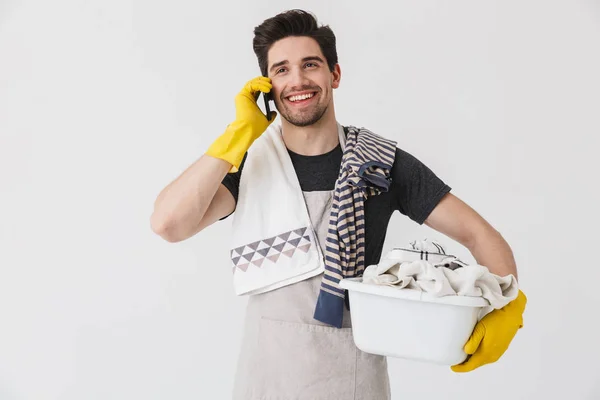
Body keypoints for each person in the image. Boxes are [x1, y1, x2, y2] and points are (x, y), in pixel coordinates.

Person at [150, 9, 528, 400]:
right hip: (265, 380)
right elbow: (168, 224)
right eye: (281, 70)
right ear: (267, 85)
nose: (297, 80)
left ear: (334, 75)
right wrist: (238, 133)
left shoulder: (380, 163)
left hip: (352, 379)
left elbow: (478, 233)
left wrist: (509, 309)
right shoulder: (248, 163)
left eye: (310, 65)